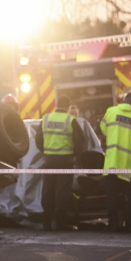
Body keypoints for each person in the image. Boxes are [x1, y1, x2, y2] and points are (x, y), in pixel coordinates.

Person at [100, 91, 131, 232]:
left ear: (124, 100)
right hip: (130, 163)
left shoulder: (111, 111)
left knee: (112, 196)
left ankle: (113, 224)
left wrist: (114, 136)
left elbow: (103, 128)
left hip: (112, 161)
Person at [35, 96, 85, 231]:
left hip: (49, 160)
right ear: (68, 106)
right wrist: (73, 155)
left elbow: (38, 140)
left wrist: (47, 151)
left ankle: (46, 222)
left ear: (56, 105)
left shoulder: (46, 119)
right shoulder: (70, 120)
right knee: (62, 193)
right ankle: (60, 223)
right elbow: (80, 142)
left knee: (48, 191)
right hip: (66, 161)